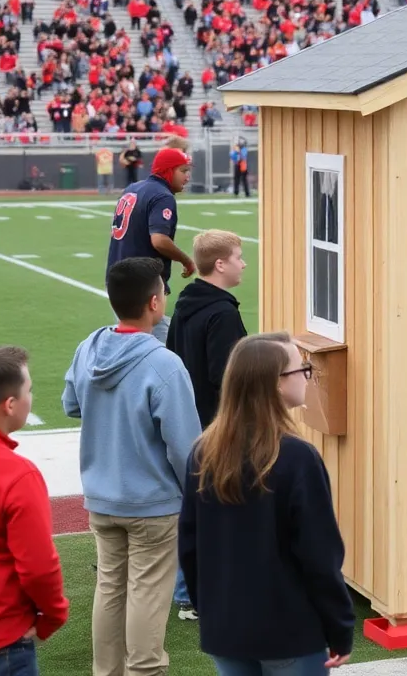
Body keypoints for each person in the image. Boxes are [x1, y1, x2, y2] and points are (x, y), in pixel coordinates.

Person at [179, 333, 355, 675]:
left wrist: (212, 611)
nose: (307, 375)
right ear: (274, 384)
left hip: (226, 631)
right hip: (289, 633)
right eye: (301, 369)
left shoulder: (204, 452)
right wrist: (340, 626)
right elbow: (319, 555)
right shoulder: (297, 457)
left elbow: (189, 545)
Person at [62, 257, 202, 676]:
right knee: (147, 592)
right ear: (155, 302)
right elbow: (184, 447)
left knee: (110, 587)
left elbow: (71, 404)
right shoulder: (164, 363)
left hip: (102, 496)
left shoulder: (89, 346)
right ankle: (145, 670)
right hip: (152, 502)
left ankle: (107, 671)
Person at [165, 230, 249, 620]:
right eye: (238, 256)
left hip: (188, 421)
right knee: (218, 509)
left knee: (194, 507)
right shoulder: (224, 314)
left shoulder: (184, 305)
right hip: (217, 425)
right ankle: (194, 593)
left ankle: (186, 590)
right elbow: (226, 377)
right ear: (220, 264)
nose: (243, 263)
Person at [0, 346, 69, 676]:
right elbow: (38, 566)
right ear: (10, 405)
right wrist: (53, 614)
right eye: (29, 390)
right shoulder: (18, 475)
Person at [106, 147, 196, 344]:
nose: (187, 177)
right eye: (183, 170)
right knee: (159, 351)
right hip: (141, 283)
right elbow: (159, 240)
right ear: (168, 170)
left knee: (130, 344)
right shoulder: (163, 196)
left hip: (118, 277)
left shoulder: (133, 188)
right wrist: (186, 260)